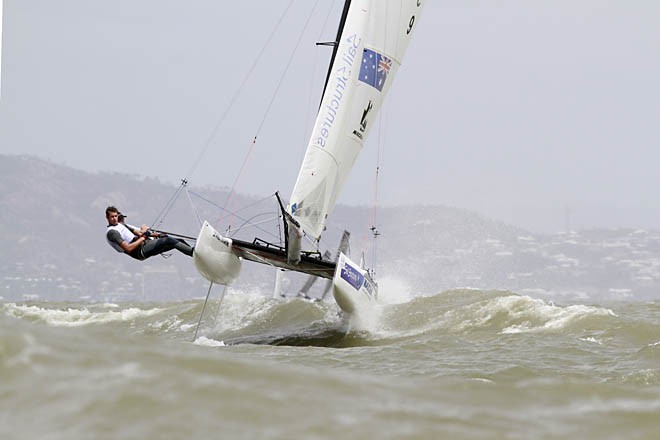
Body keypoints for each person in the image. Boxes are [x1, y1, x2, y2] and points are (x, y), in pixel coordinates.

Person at [105, 206, 194, 260]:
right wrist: (144, 237)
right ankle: (192, 252)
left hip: (145, 244)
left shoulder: (121, 225)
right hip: (140, 251)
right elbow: (128, 248)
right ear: (107, 218)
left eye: (116, 216)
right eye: (112, 217)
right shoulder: (112, 233)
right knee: (169, 240)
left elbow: (139, 233)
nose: (115, 218)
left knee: (178, 241)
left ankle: (196, 254)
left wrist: (158, 235)